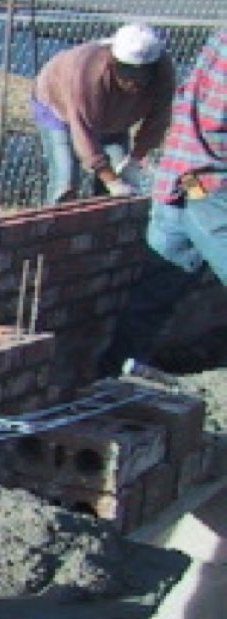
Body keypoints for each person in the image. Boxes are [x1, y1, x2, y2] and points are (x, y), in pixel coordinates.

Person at [103, 28, 227, 376]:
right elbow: (216, 120)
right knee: (158, 286)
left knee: (157, 289)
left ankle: (114, 373)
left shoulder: (220, 39)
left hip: (181, 178)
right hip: (207, 186)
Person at [31, 23, 175, 204]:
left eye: (143, 72)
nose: (134, 80)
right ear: (114, 61)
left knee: (122, 178)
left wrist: (135, 160)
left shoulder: (163, 72)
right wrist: (111, 180)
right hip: (56, 107)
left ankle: (103, 228)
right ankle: (53, 226)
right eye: (127, 70)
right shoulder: (87, 75)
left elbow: (158, 120)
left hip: (114, 117)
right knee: (65, 180)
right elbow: (82, 131)